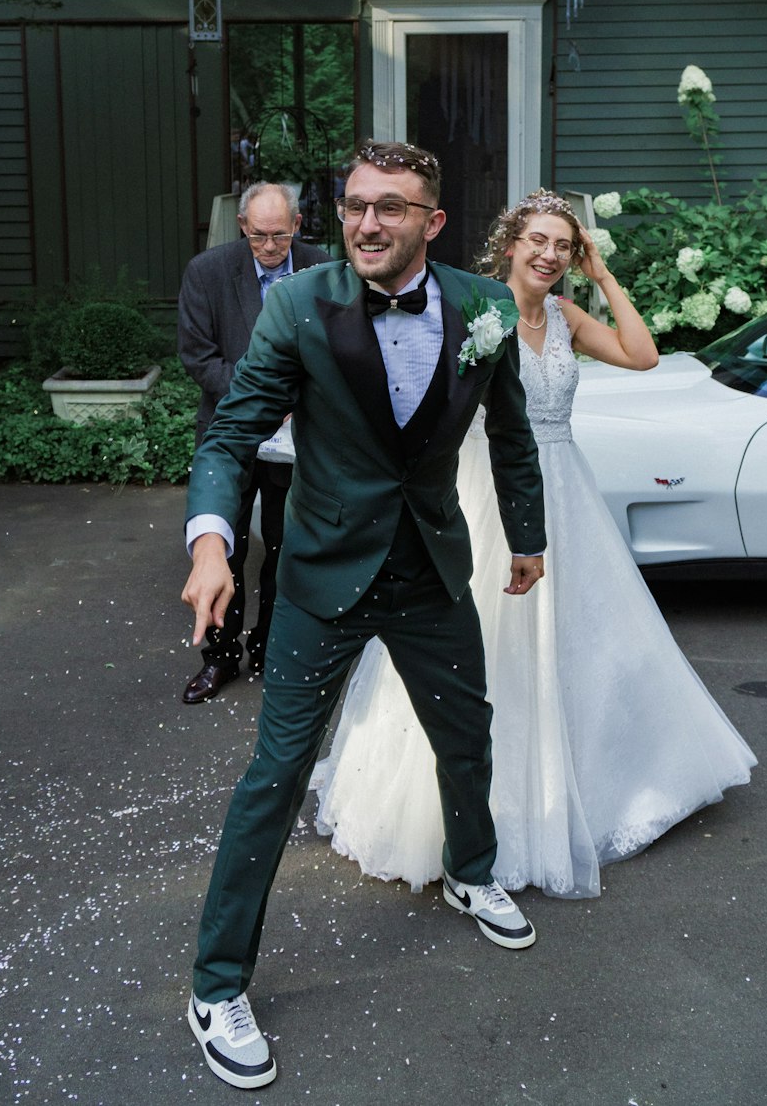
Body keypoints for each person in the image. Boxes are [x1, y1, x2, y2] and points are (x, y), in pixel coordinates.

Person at [181, 141, 547, 1091]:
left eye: (392, 207)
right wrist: (214, 542)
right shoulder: (298, 306)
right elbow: (232, 431)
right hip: (322, 576)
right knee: (275, 773)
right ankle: (216, 984)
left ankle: (472, 868)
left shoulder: (485, 306)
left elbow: (510, 435)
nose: (368, 223)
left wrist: (528, 537)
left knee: (466, 735)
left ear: (433, 220)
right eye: (353, 206)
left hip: (430, 570)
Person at [313, 189, 757, 900]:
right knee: (482, 646)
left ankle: (583, 786)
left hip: (565, 492)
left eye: (564, 246)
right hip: (486, 491)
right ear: (510, 245)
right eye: (538, 241)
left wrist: (605, 277)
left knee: (580, 644)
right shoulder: (473, 309)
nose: (549, 255)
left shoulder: (566, 315)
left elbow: (642, 356)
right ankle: (476, 811)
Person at [177, 180, 330, 701]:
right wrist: (260, 400)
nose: (269, 247)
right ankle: (219, 657)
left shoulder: (321, 265)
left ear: (297, 227)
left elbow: (335, 342)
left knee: (287, 544)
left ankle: (269, 646)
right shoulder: (208, 271)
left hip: (298, 434)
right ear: (243, 226)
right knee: (228, 542)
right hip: (231, 428)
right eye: (260, 236)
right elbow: (198, 357)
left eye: (280, 237)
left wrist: (300, 400)